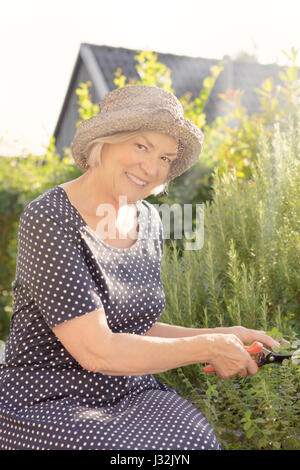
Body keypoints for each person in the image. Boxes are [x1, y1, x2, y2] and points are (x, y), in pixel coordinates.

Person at [0, 85, 281, 451]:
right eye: (141, 146)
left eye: (165, 158)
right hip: (49, 397)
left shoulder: (148, 219)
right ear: (104, 141)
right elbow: (97, 350)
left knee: (198, 441)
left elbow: (135, 326)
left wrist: (225, 333)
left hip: (129, 387)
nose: (151, 168)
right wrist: (207, 347)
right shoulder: (50, 217)